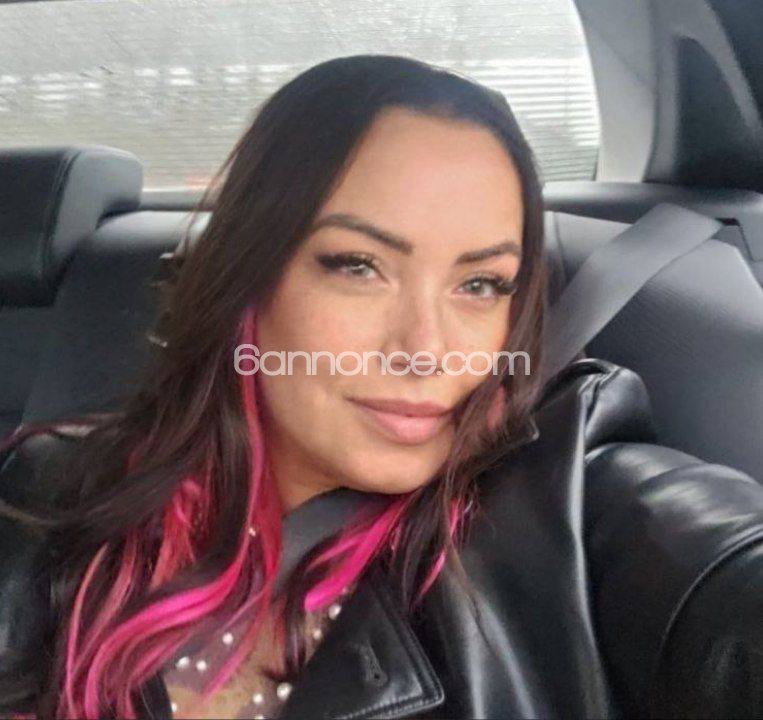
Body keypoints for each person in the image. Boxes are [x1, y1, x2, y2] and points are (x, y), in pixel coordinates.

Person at [0, 54, 761, 720]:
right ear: (248, 280)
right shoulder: (52, 492)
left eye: (480, 284)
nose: (426, 351)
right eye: (358, 267)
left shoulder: (572, 501)